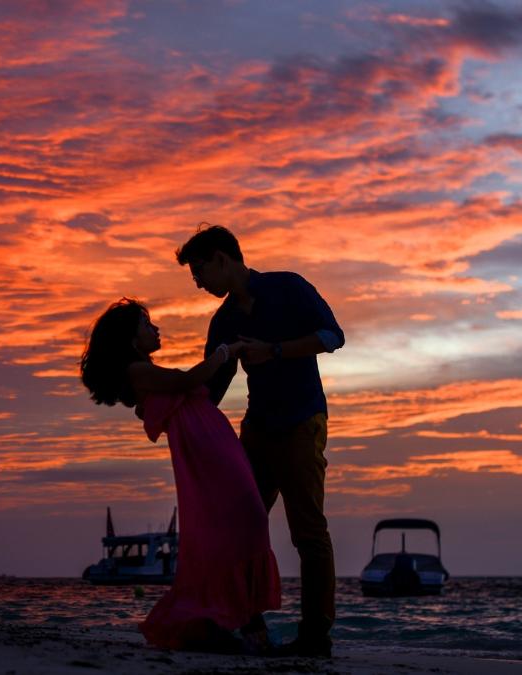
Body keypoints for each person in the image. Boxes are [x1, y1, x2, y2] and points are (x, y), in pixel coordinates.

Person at [176, 224, 344, 658]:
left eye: (199, 270)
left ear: (221, 258)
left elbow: (332, 337)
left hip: (303, 422)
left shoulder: (287, 287)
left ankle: (315, 636)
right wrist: (176, 413)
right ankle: (245, 624)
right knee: (237, 525)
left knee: (308, 532)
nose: (197, 282)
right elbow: (214, 386)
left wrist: (273, 350)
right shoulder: (224, 321)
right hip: (256, 431)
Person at [80, 298, 281, 653]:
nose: (155, 329)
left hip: (212, 441)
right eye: (146, 325)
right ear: (130, 339)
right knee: (245, 521)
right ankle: (237, 625)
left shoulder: (143, 371)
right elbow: (190, 378)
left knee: (243, 523)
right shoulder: (137, 371)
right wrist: (225, 351)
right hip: (205, 449)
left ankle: (236, 624)